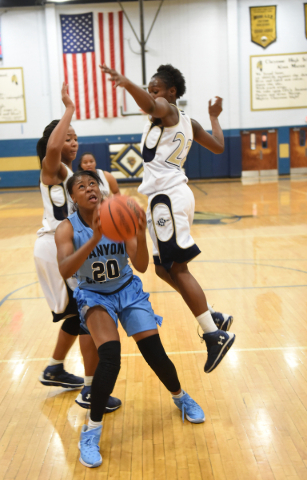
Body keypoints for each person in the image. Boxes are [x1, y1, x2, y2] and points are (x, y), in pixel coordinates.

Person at [55, 169, 206, 468]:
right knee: (110, 357)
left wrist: (138, 231)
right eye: (81, 186)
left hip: (127, 290)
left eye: (93, 184)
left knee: (155, 354)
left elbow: (141, 266)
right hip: (95, 296)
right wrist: (95, 238)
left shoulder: (118, 215)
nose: (89, 189)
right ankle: (91, 430)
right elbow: (65, 269)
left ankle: (181, 397)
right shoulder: (66, 228)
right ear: (72, 196)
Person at [100, 64, 235, 373]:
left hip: (168, 199)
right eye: (150, 89)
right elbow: (218, 146)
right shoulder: (190, 122)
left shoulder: (168, 110)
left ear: (171, 93)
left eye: (155, 88)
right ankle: (211, 315)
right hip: (168, 198)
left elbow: (151, 105)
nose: (151, 95)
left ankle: (214, 335)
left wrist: (127, 83)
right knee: (162, 269)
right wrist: (214, 116)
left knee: (178, 268)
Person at [34, 82, 121, 412]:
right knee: (86, 313)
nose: (71, 142)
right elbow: (53, 148)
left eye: (74, 137)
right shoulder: (52, 168)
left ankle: (55, 367)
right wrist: (68, 108)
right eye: (66, 137)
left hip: (61, 246)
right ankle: (89, 389)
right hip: (54, 248)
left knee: (75, 313)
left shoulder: (71, 174)